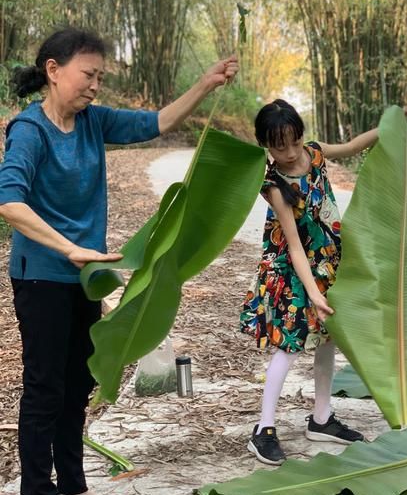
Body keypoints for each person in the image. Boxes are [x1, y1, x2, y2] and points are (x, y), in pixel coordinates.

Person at [0, 27, 238, 495]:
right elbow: (10, 202)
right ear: (53, 70)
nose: (94, 85)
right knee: (46, 388)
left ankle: (72, 482)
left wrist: (205, 84)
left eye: (100, 78)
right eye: (88, 74)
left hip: (86, 279)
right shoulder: (29, 131)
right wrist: (68, 247)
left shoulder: (94, 121)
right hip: (43, 278)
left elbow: (157, 123)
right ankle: (35, 487)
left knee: (77, 385)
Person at [240, 99, 407, 466]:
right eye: (277, 146)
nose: (288, 153)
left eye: (292, 141)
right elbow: (293, 245)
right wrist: (314, 292)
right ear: (265, 146)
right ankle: (263, 429)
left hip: (329, 264)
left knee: (327, 341)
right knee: (288, 347)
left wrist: (396, 123)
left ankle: (321, 418)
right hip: (292, 271)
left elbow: (353, 146)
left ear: (301, 135)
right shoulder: (274, 184)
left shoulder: (315, 153)